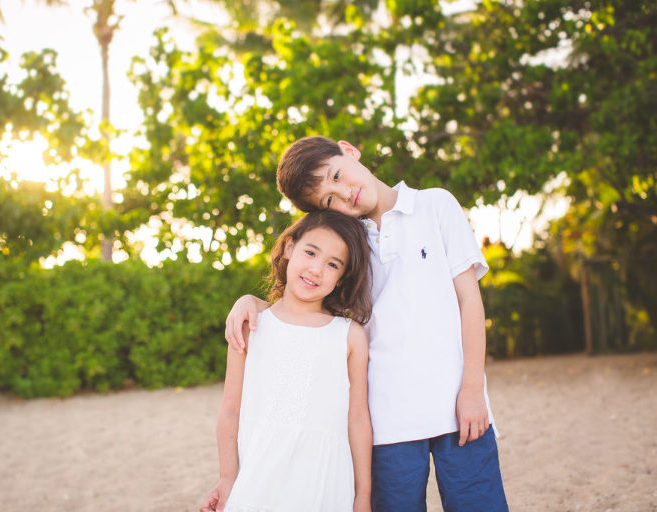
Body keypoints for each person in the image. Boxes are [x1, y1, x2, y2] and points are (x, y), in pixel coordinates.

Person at [225, 136, 509, 511]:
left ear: (349, 150)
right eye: (329, 200)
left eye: (338, 176)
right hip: (387, 424)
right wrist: (254, 302)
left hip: (461, 408)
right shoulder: (347, 246)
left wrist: (472, 388)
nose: (345, 194)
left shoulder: (435, 204)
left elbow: (469, 300)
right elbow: (308, 302)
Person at [200, 210, 374, 512]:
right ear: (290, 248)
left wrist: (363, 495)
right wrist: (228, 477)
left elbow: (357, 419)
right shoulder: (250, 324)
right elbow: (230, 410)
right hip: (258, 481)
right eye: (310, 252)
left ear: (342, 277)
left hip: (324, 483)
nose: (316, 269)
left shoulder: (349, 336)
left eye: (333, 264)